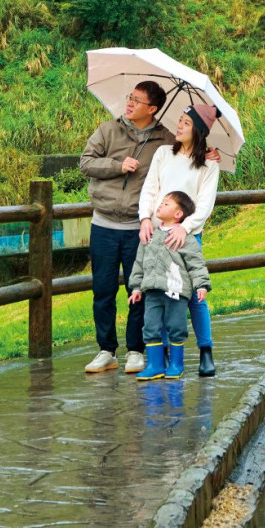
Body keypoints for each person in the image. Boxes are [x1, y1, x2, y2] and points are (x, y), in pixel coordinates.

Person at [78, 80, 174, 375]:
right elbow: (86, 163)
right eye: (129, 97)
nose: (129, 103)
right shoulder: (108, 130)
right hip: (104, 224)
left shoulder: (166, 139)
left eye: (137, 100)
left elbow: (186, 159)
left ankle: (136, 350)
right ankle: (106, 350)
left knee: (139, 290)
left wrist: (208, 156)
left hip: (140, 227)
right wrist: (118, 165)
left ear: (152, 109)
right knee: (103, 290)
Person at [138, 102, 222, 376]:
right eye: (181, 121)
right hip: (158, 234)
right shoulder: (164, 153)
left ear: (198, 130)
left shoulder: (209, 164)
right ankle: (161, 354)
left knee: (194, 295)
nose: (180, 126)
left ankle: (206, 350)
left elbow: (205, 203)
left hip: (187, 236)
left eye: (186, 123)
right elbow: (150, 189)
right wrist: (146, 218)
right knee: (159, 291)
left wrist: (184, 228)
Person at [127, 190, 210, 382]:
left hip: (176, 292)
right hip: (152, 292)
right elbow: (139, 263)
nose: (160, 205)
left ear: (178, 214)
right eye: (161, 202)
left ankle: (176, 364)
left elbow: (196, 263)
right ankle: (155, 365)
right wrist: (137, 288)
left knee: (176, 326)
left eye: (166, 204)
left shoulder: (185, 237)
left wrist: (201, 285)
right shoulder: (150, 235)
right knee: (150, 327)